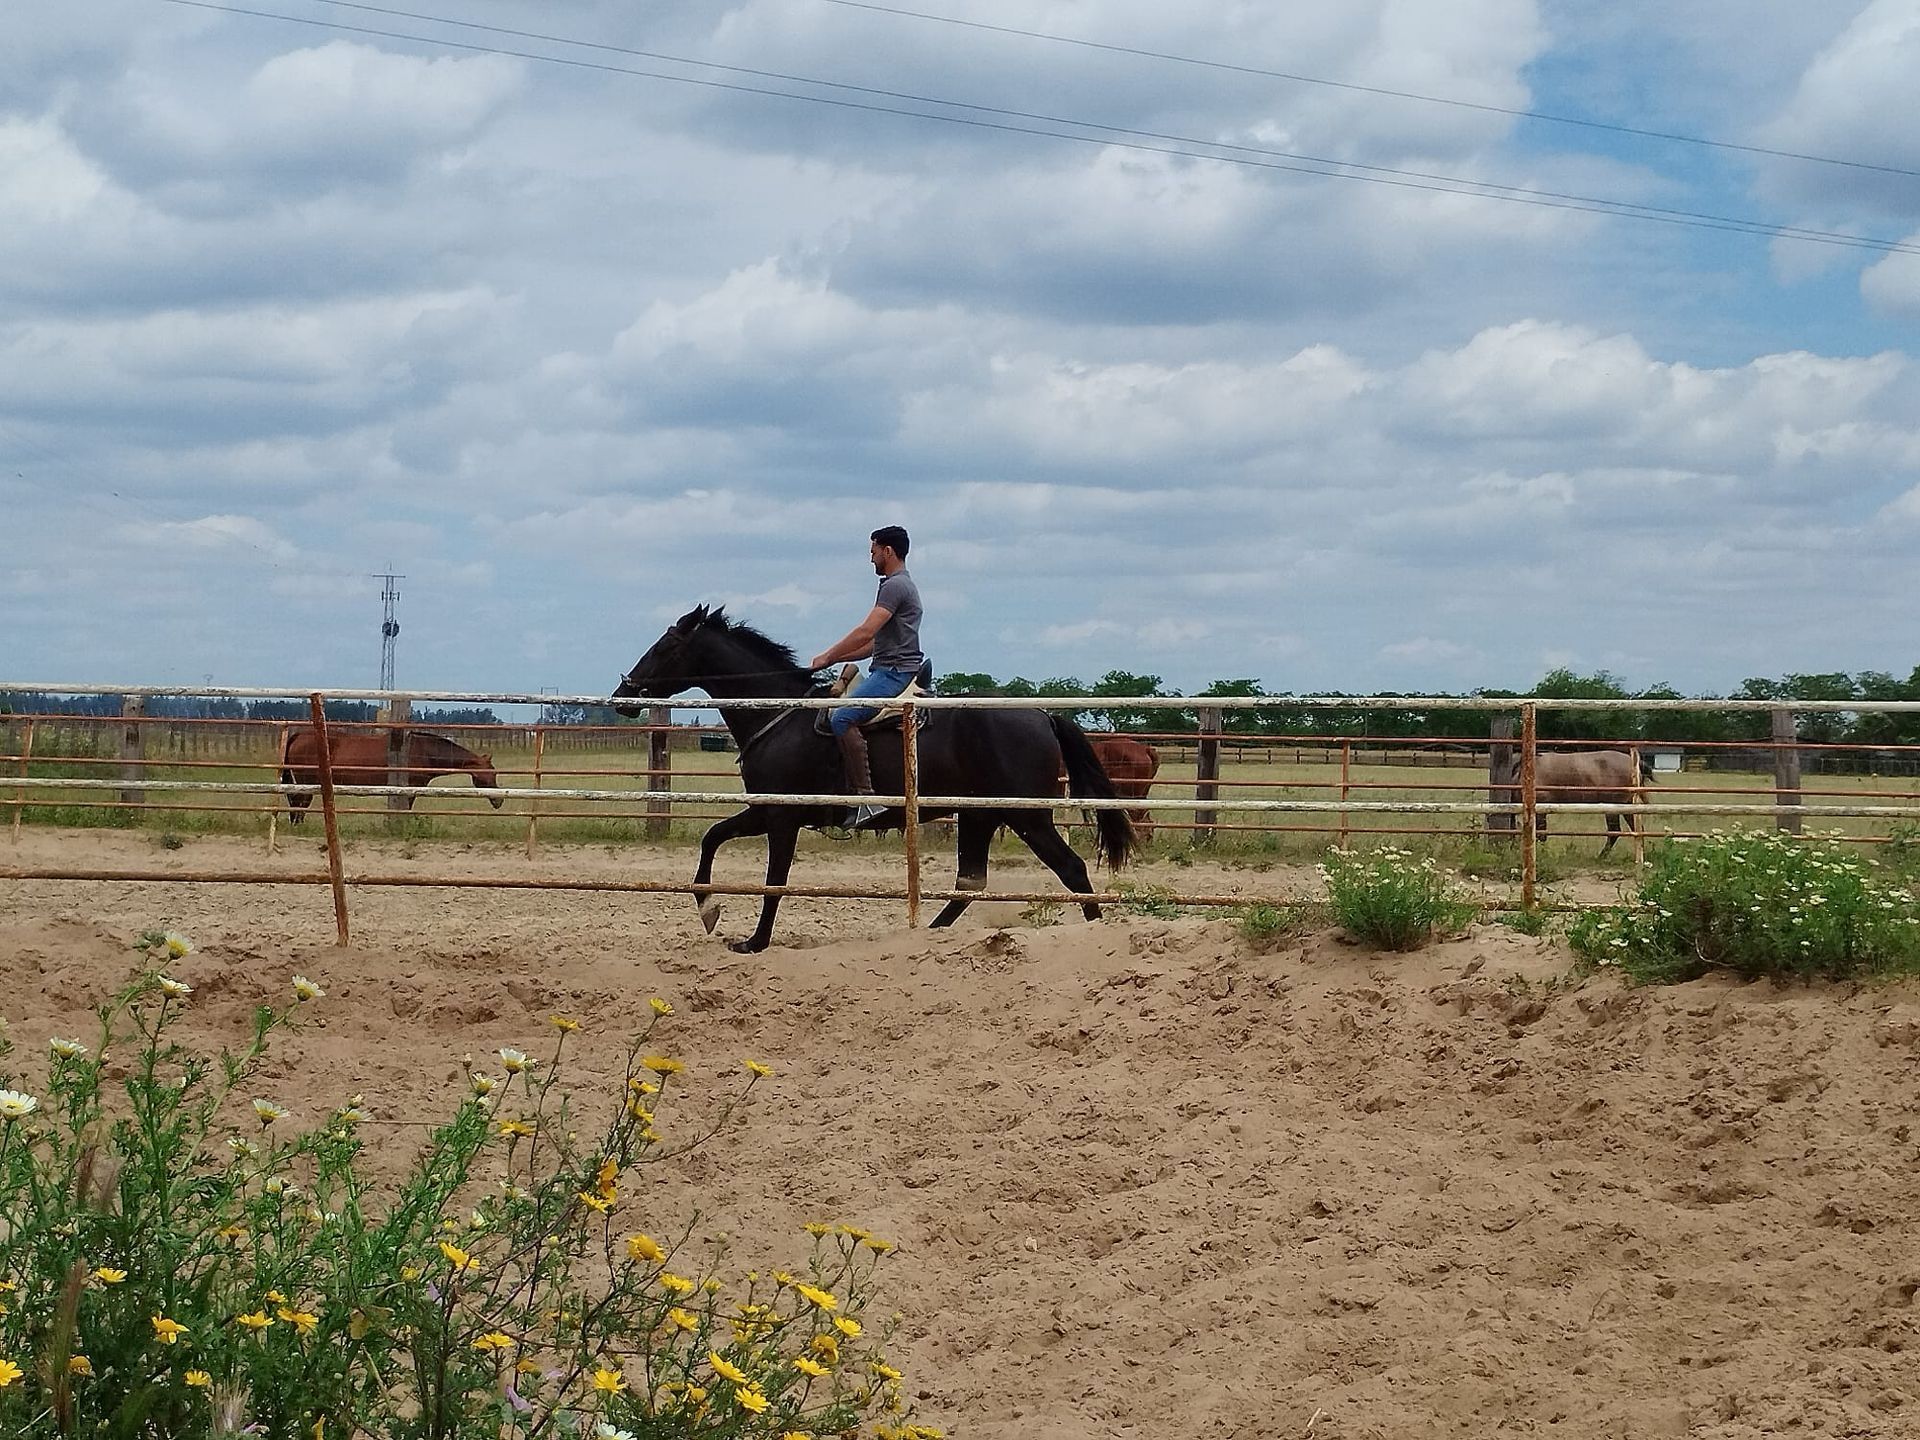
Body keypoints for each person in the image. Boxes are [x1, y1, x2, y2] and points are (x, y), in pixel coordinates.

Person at [809, 525, 924, 828]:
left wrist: (828, 655)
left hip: (893, 674)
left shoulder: (895, 586)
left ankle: (866, 799)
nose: (871, 558)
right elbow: (875, 644)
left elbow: (866, 631)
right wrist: (836, 658)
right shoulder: (897, 585)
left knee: (841, 718)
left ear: (888, 551)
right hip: (888, 666)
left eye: (873, 551)